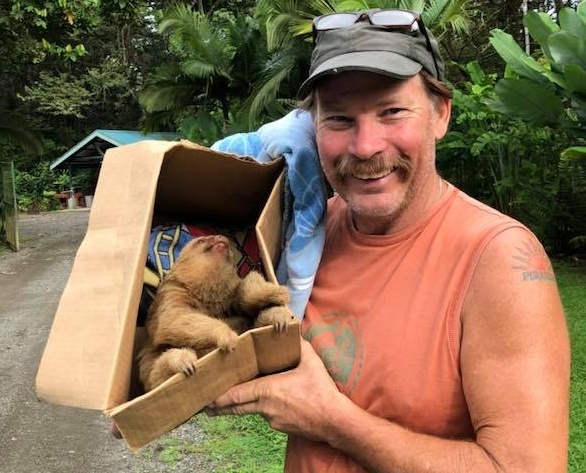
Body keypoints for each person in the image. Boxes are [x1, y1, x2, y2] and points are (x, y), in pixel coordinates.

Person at [210, 9, 572, 472]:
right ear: (310, 127)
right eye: (339, 119)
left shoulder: (498, 259)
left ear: (440, 113)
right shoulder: (308, 230)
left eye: (392, 111)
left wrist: (331, 420)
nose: (365, 147)